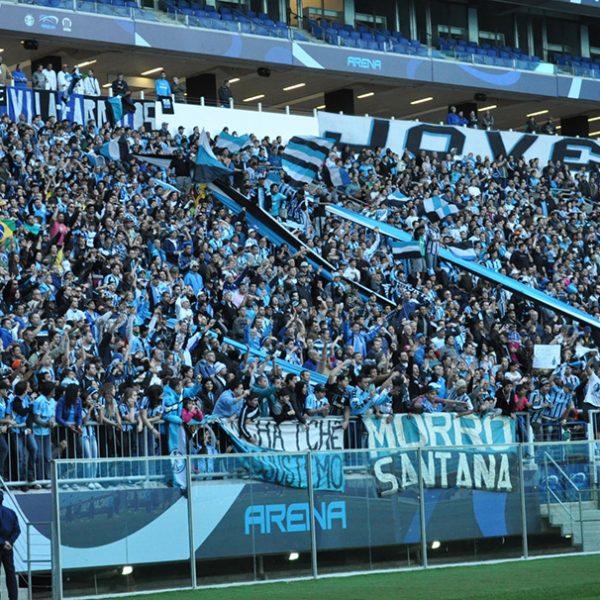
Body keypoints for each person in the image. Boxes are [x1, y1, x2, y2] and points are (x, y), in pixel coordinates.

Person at [0, 490, 19, 600]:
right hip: (8, 547)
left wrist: (2, 542)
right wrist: (10, 542)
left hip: (2, 545)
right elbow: (17, 530)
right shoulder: (11, 512)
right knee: (11, 575)